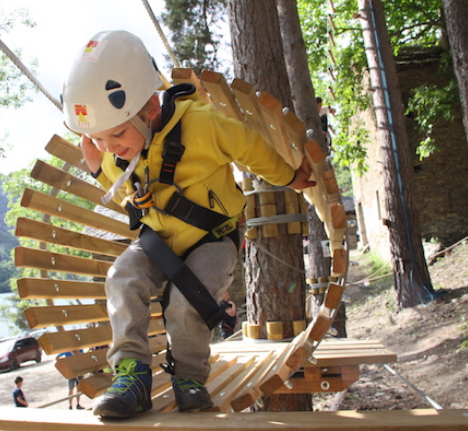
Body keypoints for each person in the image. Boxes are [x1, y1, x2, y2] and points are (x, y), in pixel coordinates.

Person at [61, 30, 315, 419]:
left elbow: (250, 147)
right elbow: (114, 175)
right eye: (99, 138)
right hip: (158, 241)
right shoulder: (120, 150)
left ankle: (190, 378)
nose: (110, 146)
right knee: (121, 279)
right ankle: (132, 376)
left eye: (116, 133)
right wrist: (97, 158)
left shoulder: (203, 123)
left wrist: (287, 176)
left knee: (188, 301)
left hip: (212, 238)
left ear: (149, 105)